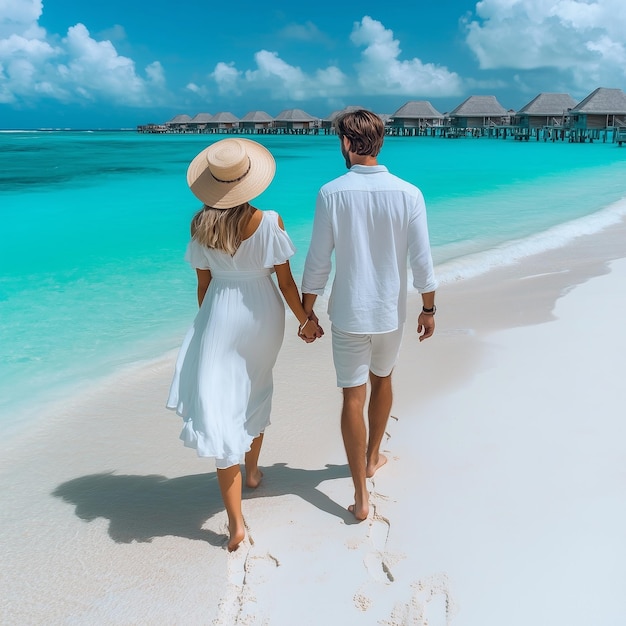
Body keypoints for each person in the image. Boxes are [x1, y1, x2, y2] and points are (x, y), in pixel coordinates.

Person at [167, 138, 321, 551]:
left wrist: (209, 326)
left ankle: (236, 524)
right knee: (255, 388)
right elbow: (286, 281)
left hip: (220, 311)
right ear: (249, 180)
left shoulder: (200, 226)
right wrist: (307, 320)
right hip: (262, 314)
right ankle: (252, 473)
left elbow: (203, 286)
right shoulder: (270, 221)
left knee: (221, 405)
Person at [301, 110, 438, 521]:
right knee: (383, 381)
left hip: (348, 312)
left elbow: (318, 260)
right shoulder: (409, 193)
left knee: (351, 395)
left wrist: (307, 311)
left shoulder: (331, 192)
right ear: (379, 141)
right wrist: (429, 308)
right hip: (389, 313)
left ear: (346, 141)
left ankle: (361, 495)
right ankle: (373, 456)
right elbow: (422, 261)